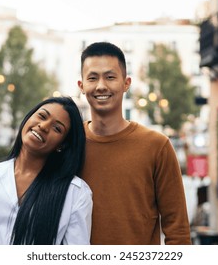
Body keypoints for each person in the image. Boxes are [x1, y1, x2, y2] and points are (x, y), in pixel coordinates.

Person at [77, 42, 191, 245]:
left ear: (126, 83)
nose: (101, 85)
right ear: (81, 86)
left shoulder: (157, 146)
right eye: (92, 78)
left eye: (110, 77)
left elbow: (178, 231)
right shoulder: (70, 144)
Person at [0, 96, 92, 245]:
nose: (43, 126)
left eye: (57, 128)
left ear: (62, 145)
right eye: (42, 116)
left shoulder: (75, 193)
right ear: (28, 117)